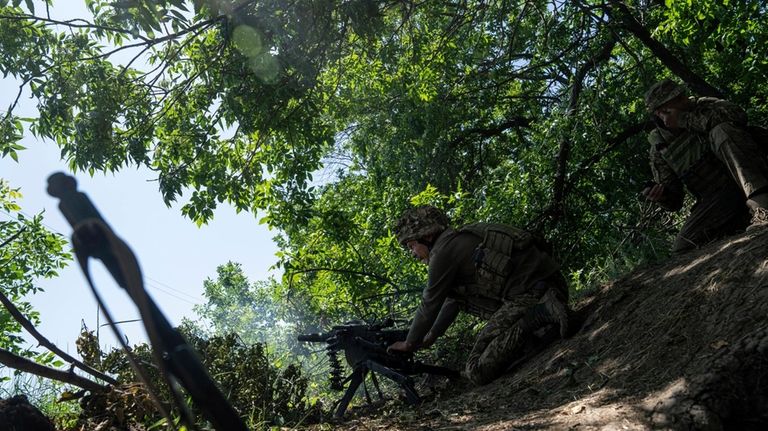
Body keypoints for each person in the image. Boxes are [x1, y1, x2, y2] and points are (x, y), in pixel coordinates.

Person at [386, 205, 570, 385]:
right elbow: (454, 300)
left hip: (530, 296)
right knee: (523, 346)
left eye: (412, 246)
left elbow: (429, 303)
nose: (413, 254)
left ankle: (542, 313)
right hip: (552, 284)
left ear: (426, 235)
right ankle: (545, 318)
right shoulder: (461, 237)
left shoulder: (442, 253)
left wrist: (409, 344)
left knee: (476, 370)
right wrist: (432, 335)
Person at [642, 79, 768, 253]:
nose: (684, 100)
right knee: (683, 248)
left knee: (721, 131)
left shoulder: (705, 105)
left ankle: (762, 207)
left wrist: (684, 119)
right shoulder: (661, 147)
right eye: (675, 100)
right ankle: (742, 221)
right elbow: (675, 201)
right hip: (719, 197)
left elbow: (737, 115)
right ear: (660, 112)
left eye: (681, 97)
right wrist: (662, 196)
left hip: (756, 174)